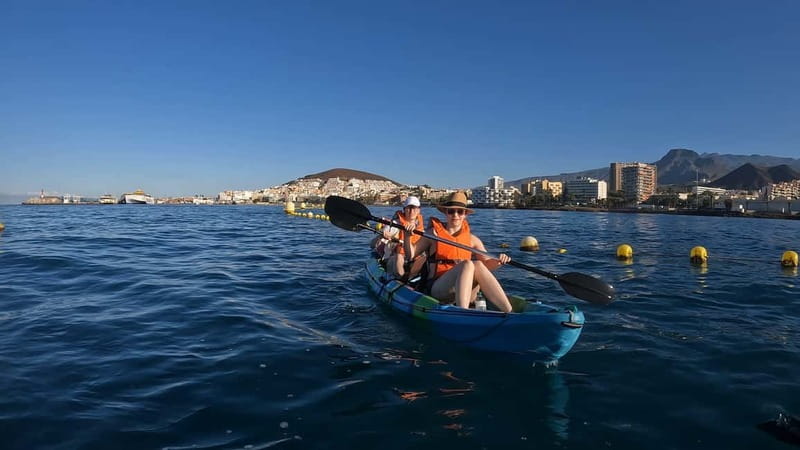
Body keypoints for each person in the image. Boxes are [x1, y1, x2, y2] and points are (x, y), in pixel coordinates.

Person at [403, 191, 513, 312]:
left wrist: (499, 262)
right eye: (451, 211)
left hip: (466, 291)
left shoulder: (473, 240)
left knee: (478, 264)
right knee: (467, 264)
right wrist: (407, 236)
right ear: (446, 213)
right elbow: (410, 255)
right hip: (438, 288)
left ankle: (509, 311)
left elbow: (487, 265)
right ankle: (463, 313)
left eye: (460, 211)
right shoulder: (432, 234)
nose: (455, 215)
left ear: (465, 214)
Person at [382, 196, 426, 281]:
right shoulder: (396, 223)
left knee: (424, 258)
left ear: (418, 210)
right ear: (404, 209)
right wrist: (386, 233)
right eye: (409, 208)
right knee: (399, 257)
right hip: (395, 256)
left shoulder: (421, 227)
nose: (411, 211)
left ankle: (410, 278)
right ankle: (401, 278)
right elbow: (387, 230)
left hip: (413, 257)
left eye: (414, 209)